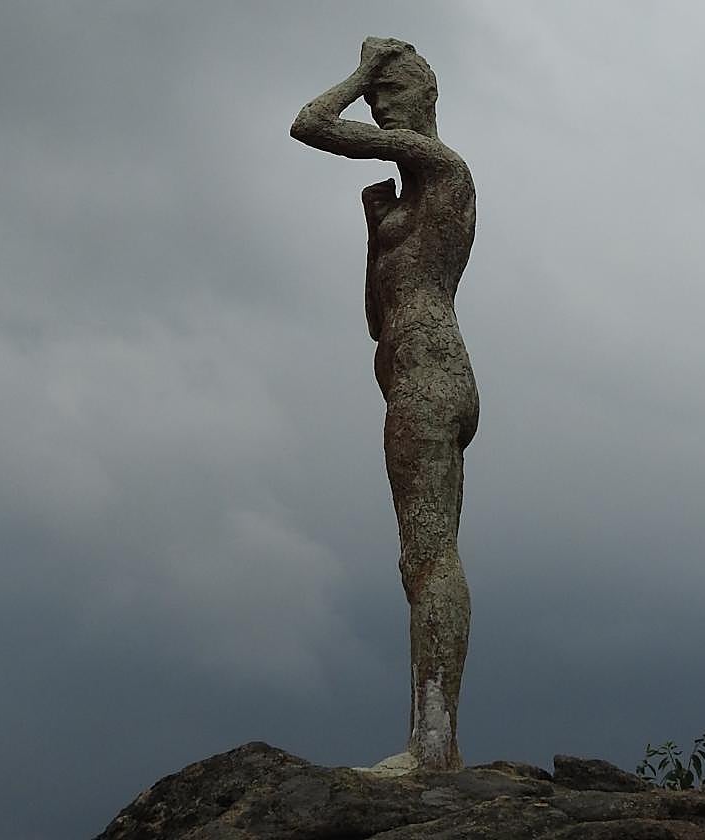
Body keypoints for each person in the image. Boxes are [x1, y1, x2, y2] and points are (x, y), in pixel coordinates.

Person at [291, 37, 479, 771]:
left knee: (431, 558)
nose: (379, 107)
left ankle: (434, 748)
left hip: (432, 372)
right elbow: (378, 316)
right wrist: (376, 236)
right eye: (376, 98)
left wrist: (361, 70)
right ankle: (431, 740)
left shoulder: (446, 167)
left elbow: (310, 124)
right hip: (410, 370)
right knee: (417, 560)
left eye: (390, 94)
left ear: (425, 100)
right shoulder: (410, 200)